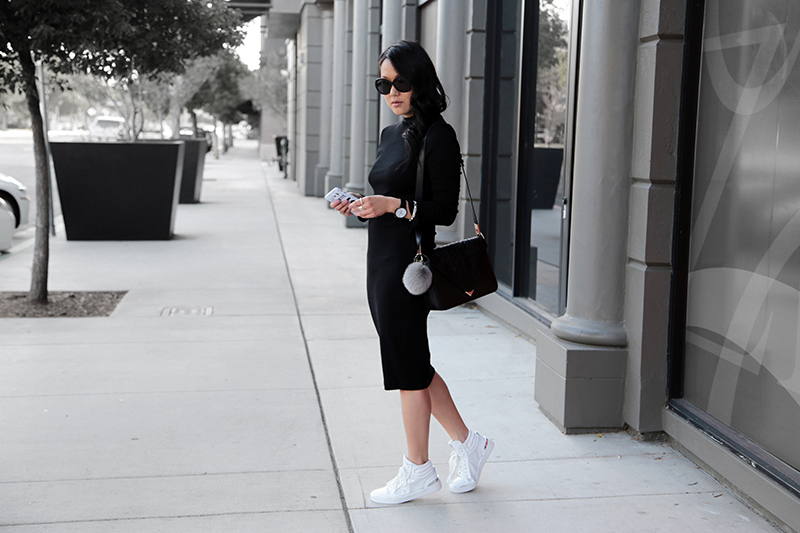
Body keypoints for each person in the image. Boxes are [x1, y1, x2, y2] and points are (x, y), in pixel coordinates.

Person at [330, 40, 494, 505]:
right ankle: (468, 442)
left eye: (400, 83)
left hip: (409, 267)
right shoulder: (390, 134)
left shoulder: (439, 136)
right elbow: (385, 197)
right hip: (379, 261)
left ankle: (417, 469)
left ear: (419, 81)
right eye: (384, 84)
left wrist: (395, 206)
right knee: (413, 362)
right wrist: (363, 206)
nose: (393, 92)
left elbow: (443, 211)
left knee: (406, 367)